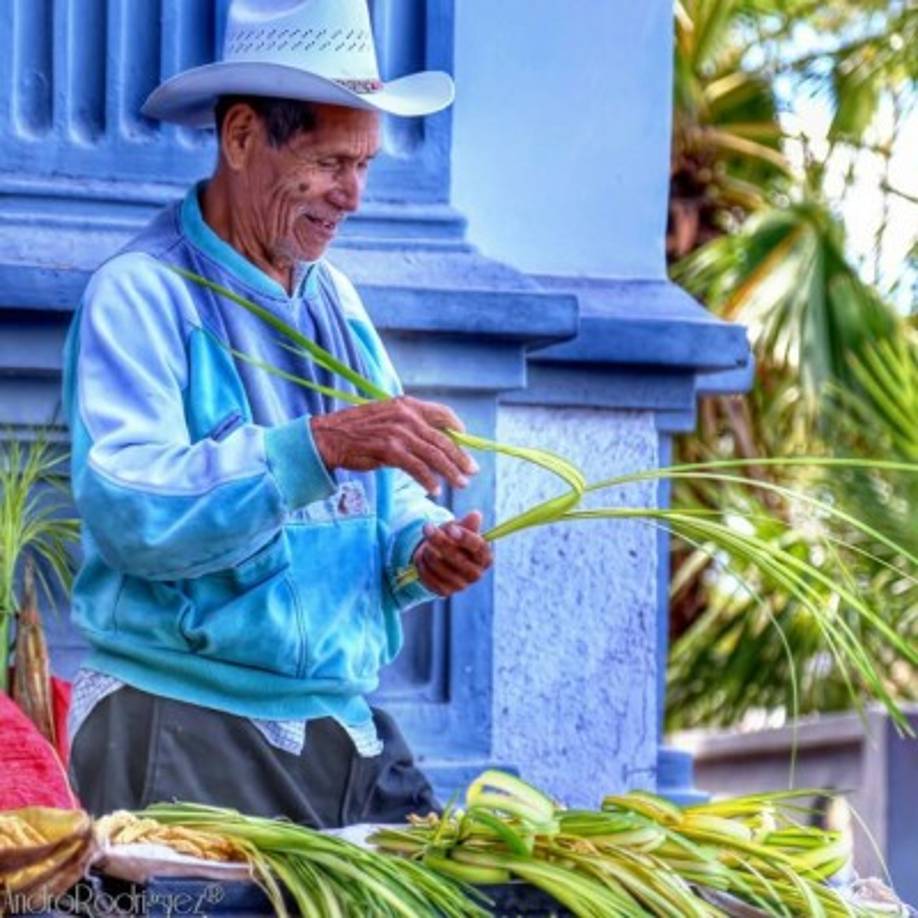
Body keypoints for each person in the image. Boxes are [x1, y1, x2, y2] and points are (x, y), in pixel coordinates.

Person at [62, 0, 492, 826]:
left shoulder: (335, 299)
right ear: (242, 138)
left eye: (365, 164)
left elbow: (385, 484)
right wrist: (318, 447)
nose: (354, 195)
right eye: (333, 161)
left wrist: (419, 548)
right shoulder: (142, 293)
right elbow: (130, 508)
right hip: (179, 724)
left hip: (335, 724)